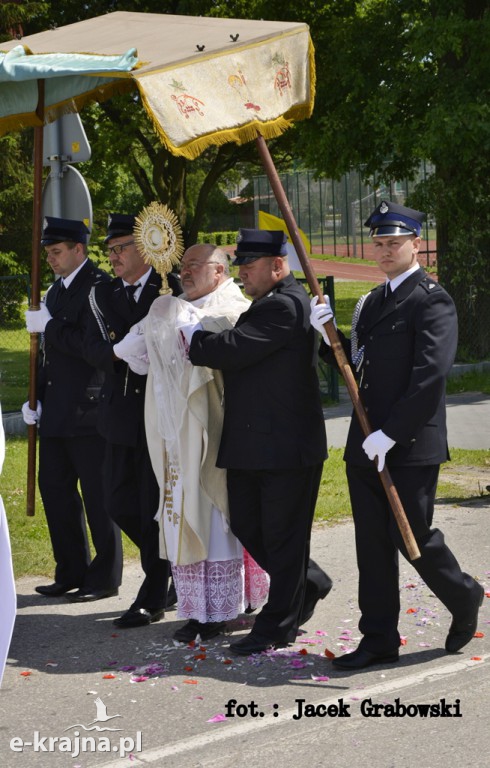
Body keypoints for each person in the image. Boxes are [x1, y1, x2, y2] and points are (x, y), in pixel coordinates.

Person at [311, 200, 485, 670]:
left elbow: (430, 376)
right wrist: (328, 339)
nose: (385, 250)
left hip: (406, 443)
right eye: (379, 243)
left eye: (395, 242)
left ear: (415, 245)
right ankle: (379, 639)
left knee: (414, 538)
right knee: (372, 544)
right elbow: (360, 368)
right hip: (365, 443)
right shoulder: (372, 300)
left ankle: (464, 593)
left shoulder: (431, 299)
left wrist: (391, 434)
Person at [188, 229, 332, 656]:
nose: (243, 275)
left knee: (283, 537)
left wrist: (195, 337)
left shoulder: (286, 305)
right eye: (240, 266)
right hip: (255, 443)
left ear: (278, 265)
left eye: (249, 268)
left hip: (286, 447)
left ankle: (276, 625)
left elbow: (232, 349)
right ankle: (308, 580)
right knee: (249, 524)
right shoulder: (267, 303)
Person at [135, 244, 269, 643]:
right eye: (183, 266)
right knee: (184, 514)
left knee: (216, 519)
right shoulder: (174, 305)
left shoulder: (232, 303)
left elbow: (221, 331)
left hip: (215, 431)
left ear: (218, 270)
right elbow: (134, 354)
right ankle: (200, 608)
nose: (185, 273)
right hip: (177, 434)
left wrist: (179, 320)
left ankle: (224, 609)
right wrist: (155, 321)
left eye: (195, 266)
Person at [83, 213, 180, 628]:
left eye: (120, 247)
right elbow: (92, 347)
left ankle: (153, 592)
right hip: (118, 414)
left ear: (145, 248)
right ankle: (173, 565)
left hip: (157, 413)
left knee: (151, 507)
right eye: (109, 250)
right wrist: (117, 352)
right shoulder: (101, 294)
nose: (113, 256)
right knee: (117, 503)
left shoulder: (168, 287)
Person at [23, 216, 122, 601]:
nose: (51, 258)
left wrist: (49, 326)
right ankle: (71, 570)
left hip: (90, 408)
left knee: (99, 497)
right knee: (56, 492)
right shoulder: (56, 292)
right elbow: (48, 354)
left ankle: (105, 577)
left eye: (57, 251)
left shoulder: (99, 288)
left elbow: (90, 347)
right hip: (59, 411)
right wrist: (37, 395)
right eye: (48, 252)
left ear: (79, 249)